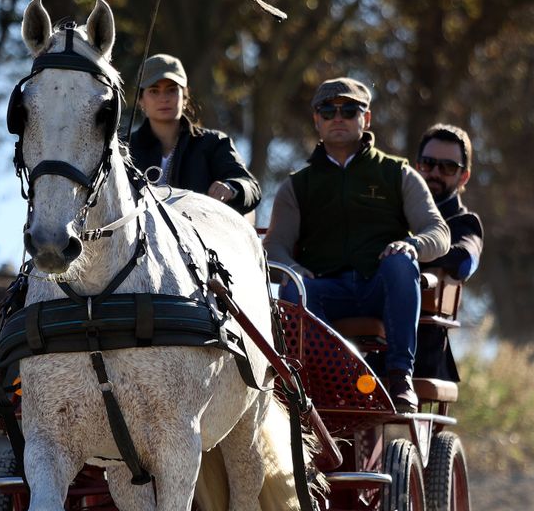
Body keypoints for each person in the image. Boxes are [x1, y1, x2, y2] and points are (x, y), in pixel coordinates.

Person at [262, 77, 450, 411]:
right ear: (316, 120)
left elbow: (439, 233)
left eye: (349, 110)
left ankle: (399, 378)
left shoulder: (398, 173)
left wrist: (413, 245)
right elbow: (274, 249)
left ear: (367, 118)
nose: (338, 117)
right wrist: (292, 269)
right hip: (326, 291)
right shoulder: (297, 186)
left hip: (382, 289)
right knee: (293, 290)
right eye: (328, 110)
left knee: (402, 262)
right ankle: (330, 383)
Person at [127, 53, 260, 214]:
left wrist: (231, 188)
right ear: (141, 100)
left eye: (171, 90)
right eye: (154, 91)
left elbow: (250, 186)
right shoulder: (124, 150)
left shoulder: (213, 143)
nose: (164, 98)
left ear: (185, 97)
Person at [410, 123, 483, 382]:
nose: (435, 173)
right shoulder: (396, 215)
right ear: (417, 165)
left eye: (448, 167)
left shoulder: (464, 224)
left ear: (464, 176)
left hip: (421, 354)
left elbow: (465, 261)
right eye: (428, 164)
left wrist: (410, 250)